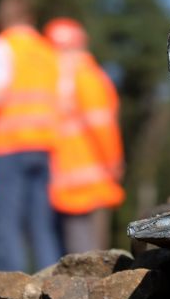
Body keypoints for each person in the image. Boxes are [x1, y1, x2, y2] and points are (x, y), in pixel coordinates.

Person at [0, 0, 62, 271]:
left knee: (6, 223)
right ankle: (52, 283)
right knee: (42, 224)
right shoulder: (47, 51)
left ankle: (8, 293)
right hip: (44, 146)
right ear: (31, 18)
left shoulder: (0, 46)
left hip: (10, 145)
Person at [43, 18, 125, 253]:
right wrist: (114, 163)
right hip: (91, 179)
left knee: (74, 257)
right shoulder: (89, 77)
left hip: (66, 184)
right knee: (90, 258)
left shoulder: (57, 84)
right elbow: (103, 126)